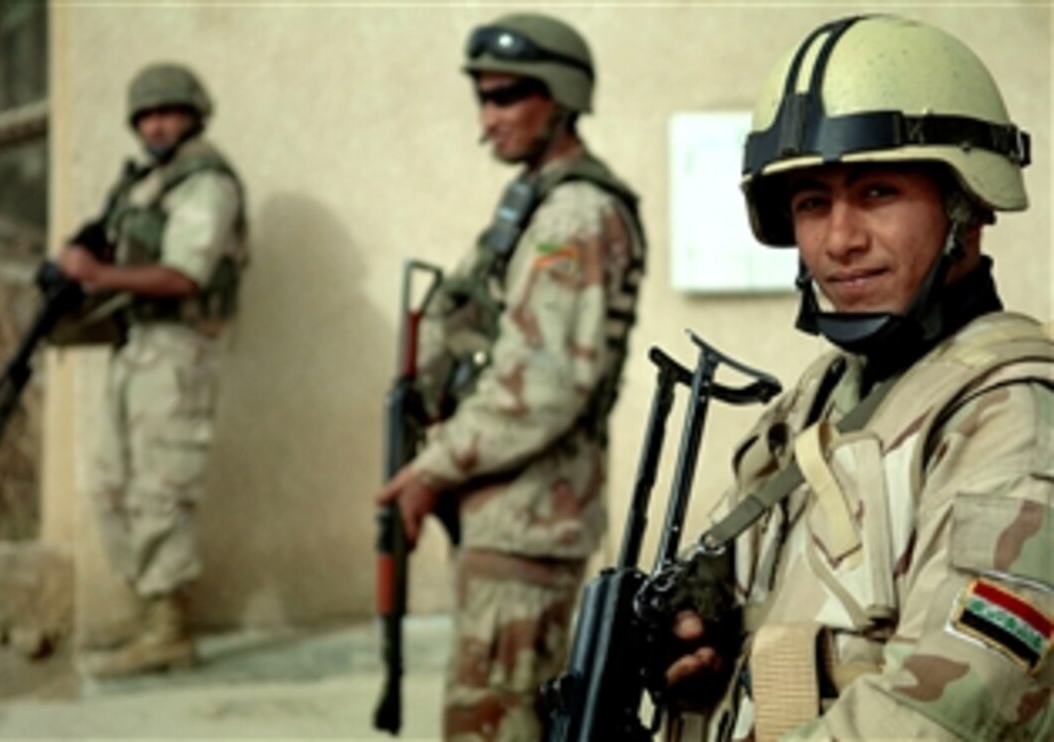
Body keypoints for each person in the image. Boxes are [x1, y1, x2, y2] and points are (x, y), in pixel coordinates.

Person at [663, 14, 1053, 741]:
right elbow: (741, 572)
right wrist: (701, 634)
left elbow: (944, 709)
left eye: (877, 192)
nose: (840, 240)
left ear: (968, 203)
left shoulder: (1013, 421)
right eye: (813, 203)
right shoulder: (822, 396)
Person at [375, 13, 647, 740]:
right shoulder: (535, 203)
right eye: (482, 98)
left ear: (557, 98)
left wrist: (432, 468)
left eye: (504, 98)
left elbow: (545, 384)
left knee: (495, 723)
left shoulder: (576, 215)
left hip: (531, 515)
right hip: (510, 513)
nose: (487, 118)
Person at [59, 62, 247, 678]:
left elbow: (185, 274)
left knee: (162, 489)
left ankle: (168, 627)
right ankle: (146, 615)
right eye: (146, 115)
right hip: (136, 345)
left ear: (194, 115)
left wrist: (97, 275)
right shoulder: (145, 185)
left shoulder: (206, 184)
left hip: (179, 350)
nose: (157, 124)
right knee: (107, 482)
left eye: (168, 112)